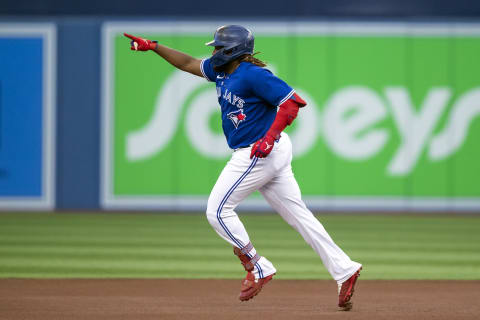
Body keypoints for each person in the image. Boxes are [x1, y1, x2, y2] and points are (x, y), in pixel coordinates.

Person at [124, 25, 362, 310]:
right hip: (265, 150)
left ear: (234, 50)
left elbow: (292, 103)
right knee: (299, 215)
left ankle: (258, 265)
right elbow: (188, 63)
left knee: (217, 211)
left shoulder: (253, 74)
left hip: (258, 151)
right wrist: (154, 47)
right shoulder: (221, 70)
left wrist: (269, 139)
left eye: (218, 47)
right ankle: (344, 268)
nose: (213, 52)